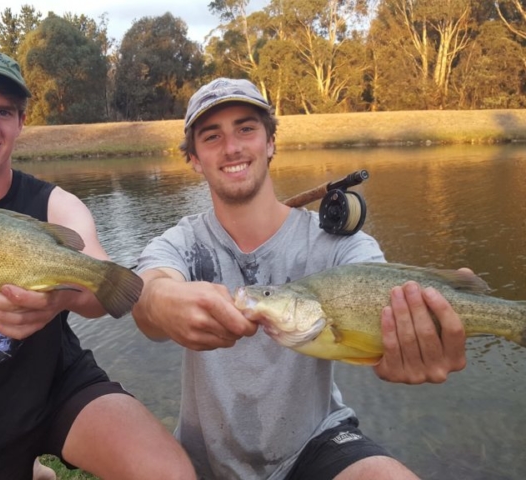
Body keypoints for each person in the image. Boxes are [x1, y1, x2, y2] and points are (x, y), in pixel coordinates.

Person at [131, 78, 468, 479]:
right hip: (203, 458)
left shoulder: (338, 246)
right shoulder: (181, 241)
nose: (233, 147)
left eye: (246, 128)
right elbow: (148, 291)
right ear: (194, 159)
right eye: (211, 136)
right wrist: (160, 302)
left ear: (270, 142)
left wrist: (409, 337)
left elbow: (383, 286)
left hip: (317, 442)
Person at [0, 45, 195, 480]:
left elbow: (103, 285)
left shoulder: (54, 203)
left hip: (59, 384)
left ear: (21, 121)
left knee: (169, 474)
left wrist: (62, 298)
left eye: (4, 112)